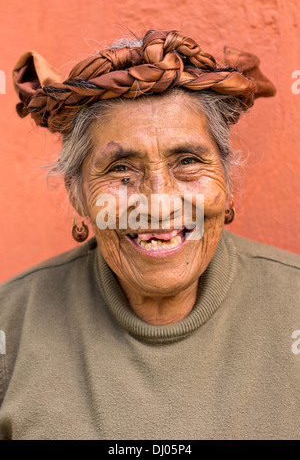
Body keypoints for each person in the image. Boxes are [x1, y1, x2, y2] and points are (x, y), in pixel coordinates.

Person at [0, 30, 299, 440]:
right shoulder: (10, 325)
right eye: (121, 168)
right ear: (78, 194)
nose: (158, 202)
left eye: (188, 161)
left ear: (227, 184)